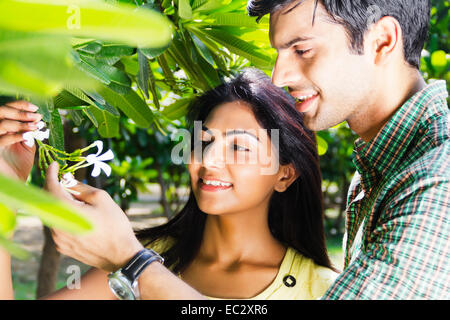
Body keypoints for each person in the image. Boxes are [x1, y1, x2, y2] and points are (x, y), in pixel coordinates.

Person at [1, 0, 448, 300]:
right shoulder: (377, 174)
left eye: (302, 48)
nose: (280, 75)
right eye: (206, 141)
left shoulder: (435, 183)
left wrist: (132, 261)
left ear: (383, 41)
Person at [0, 69, 338, 299]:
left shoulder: (322, 289)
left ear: (284, 174)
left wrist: (132, 262)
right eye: (203, 141)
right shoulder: (153, 255)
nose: (209, 160)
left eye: (238, 147)